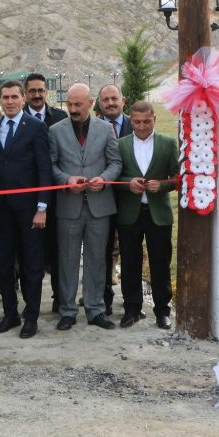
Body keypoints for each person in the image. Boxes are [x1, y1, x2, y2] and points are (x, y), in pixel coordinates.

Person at [0, 80, 52, 339]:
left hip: (29, 210)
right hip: (1, 211)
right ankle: (10, 314)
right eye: (5, 97)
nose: (9, 101)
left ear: (23, 99)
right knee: (4, 262)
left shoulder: (36, 127)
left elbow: (44, 168)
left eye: (14, 97)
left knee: (32, 265)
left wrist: (42, 206)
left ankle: (30, 316)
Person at [48, 84, 122, 331]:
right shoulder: (55, 131)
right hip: (69, 206)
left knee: (97, 260)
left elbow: (115, 162)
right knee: (67, 260)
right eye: (69, 104)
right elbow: (51, 166)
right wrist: (66, 181)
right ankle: (67, 311)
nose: (72, 109)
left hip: (99, 207)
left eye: (78, 104)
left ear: (91, 103)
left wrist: (103, 177)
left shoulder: (106, 129)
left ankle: (95, 310)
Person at [115, 101, 180, 330]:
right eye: (136, 122)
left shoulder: (168, 143)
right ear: (130, 120)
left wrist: (161, 185)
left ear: (155, 120)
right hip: (129, 214)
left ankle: (162, 311)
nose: (141, 126)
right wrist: (127, 183)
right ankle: (132, 309)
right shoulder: (120, 144)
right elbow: (114, 176)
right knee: (130, 262)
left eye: (146, 121)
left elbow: (177, 177)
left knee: (160, 262)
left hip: (158, 214)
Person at [24, 73, 68, 313]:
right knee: (29, 254)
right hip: (27, 198)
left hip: (57, 197)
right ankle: (31, 303)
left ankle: (59, 298)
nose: (37, 94)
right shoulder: (17, 119)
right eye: (32, 91)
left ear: (46, 92)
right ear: (26, 93)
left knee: (57, 249)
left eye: (41, 90)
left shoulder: (60, 118)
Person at [94, 84, 131, 313]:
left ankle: (131, 302)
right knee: (102, 250)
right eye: (105, 99)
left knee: (130, 251)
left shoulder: (135, 123)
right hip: (101, 198)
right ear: (99, 104)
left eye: (114, 98)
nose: (110, 103)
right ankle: (103, 300)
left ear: (123, 100)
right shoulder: (92, 127)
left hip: (130, 199)